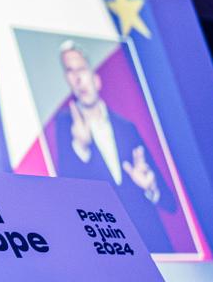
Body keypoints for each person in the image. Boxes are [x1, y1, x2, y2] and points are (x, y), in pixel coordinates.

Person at [53, 41, 176, 253]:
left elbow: (169, 202)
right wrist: (81, 148)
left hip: (155, 250)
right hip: (107, 250)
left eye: (82, 69)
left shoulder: (127, 128)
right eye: (70, 71)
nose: (78, 78)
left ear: (97, 77)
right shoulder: (65, 125)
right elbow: (65, 197)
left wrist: (150, 188)